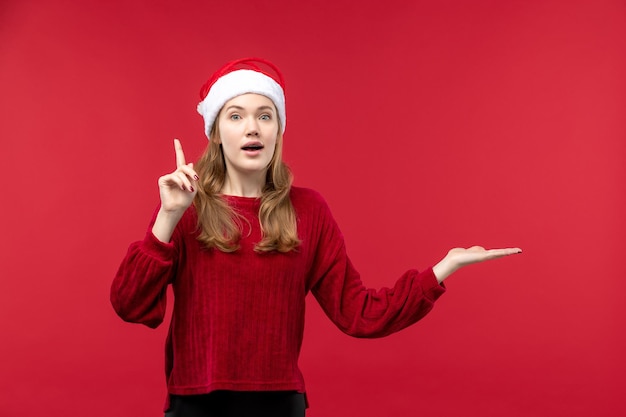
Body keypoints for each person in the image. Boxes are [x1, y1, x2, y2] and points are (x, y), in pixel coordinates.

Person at [111, 57, 521, 417]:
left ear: (278, 130)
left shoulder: (308, 210)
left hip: (279, 403)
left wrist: (442, 268)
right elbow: (131, 306)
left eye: (265, 115)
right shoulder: (185, 205)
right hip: (196, 402)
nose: (252, 127)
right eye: (235, 116)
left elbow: (359, 313)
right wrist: (167, 216)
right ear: (216, 131)